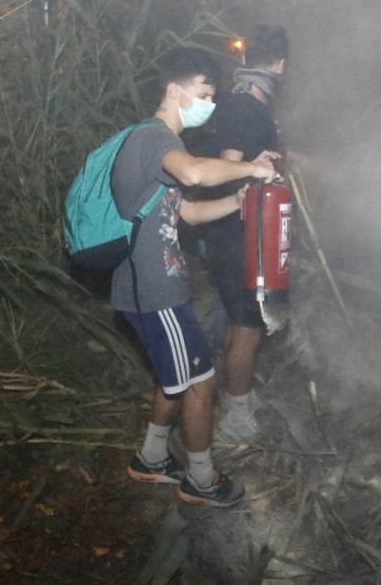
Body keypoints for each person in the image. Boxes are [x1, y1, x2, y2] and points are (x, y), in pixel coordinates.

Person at [112, 47, 280, 507]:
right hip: (152, 291)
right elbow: (194, 173)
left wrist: (238, 199)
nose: (209, 104)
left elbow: (186, 212)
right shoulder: (153, 138)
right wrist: (251, 166)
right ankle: (202, 480)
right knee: (200, 380)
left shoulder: (162, 146)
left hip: (155, 287)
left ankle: (151, 457)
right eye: (204, 94)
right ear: (175, 90)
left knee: (175, 377)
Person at [197, 25, 289, 441]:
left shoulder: (243, 103)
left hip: (242, 230)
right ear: (281, 64)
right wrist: (250, 175)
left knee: (243, 321)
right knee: (248, 326)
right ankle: (234, 419)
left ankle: (239, 397)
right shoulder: (245, 107)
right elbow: (229, 161)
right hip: (237, 234)